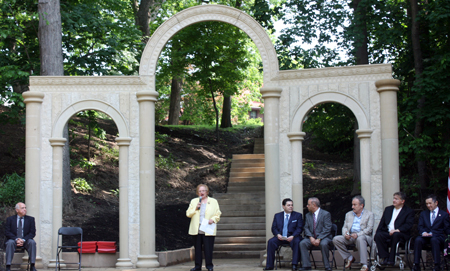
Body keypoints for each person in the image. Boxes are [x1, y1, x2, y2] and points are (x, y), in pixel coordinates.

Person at [332, 195, 374, 271]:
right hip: (351, 236)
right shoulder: (348, 214)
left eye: (355, 205)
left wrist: (358, 234)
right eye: (352, 204)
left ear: (361, 205)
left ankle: (364, 264)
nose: (352, 207)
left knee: (360, 239)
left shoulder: (369, 214)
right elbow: (344, 227)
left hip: (364, 236)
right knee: (336, 239)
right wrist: (346, 234)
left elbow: (369, 229)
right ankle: (349, 258)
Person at [186, 184, 221, 271]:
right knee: (197, 249)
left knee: (208, 249)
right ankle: (197, 266)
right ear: (197, 192)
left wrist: (213, 219)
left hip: (208, 228)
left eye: (203, 191)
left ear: (207, 192)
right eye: (200, 191)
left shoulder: (213, 201)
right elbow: (188, 214)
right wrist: (196, 208)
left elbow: (218, 214)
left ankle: (209, 266)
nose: (202, 192)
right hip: (197, 229)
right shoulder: (194, 201)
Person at [374, 191, 414, 266]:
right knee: (378, 235)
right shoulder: (388, 209)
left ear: (402, 201)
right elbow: (382, 224)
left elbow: (408, 225)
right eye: (393, 198)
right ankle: (384, 257)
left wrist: (398, 230)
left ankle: (392, 259)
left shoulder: (408, 211)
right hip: (388, 232)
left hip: (401, 233)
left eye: (396, 199)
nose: (394, 200)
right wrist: (377, 233)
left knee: (396, 235)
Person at [411, 194, 450, 271]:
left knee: (434, 240)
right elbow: (420, 226)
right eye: (427, 204)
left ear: (436, 203)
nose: (428, 205)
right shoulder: (423, 214)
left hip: (438, 237)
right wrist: (423, 232)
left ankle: (436, 265)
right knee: (418, 240)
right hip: (426, 236)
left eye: (430, 203)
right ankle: (416, 264)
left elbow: (447, 229)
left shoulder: (444, 215)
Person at [263, 198, 303, 271]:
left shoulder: (298, 215)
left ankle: (294, 265)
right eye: (288, 205)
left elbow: (299, 228)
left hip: (293, 237)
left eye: (292, 205)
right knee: (271, 242)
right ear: (283, 206)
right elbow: (274, 228)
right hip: (281, 237)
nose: (291, 207)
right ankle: (269, 265)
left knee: (297, 242)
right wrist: (278, 235)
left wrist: (292, 236)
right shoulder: (277, 216)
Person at [299, 197, 333, 271]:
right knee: (303, 243)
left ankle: (327, 266)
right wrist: (311, 237)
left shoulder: (325, 214)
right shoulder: (308, 215)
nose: (307, 206)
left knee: (323, 244)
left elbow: (327, 228)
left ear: (314, 205)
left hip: (324, 237)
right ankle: (306, 265)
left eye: (308, 204)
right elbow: (306, 228)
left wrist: (319, 238)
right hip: (311, 238)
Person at [5, 202, 37, 271]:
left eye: (25, 208)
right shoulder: (10, 219)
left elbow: (32, 233)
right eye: (22, 208)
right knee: (9, 243)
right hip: (13, 240)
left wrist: (23, 240)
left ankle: (32, 265)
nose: (25, 209)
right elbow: (7, 232)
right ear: (17, 210)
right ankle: (8, 266)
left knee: (32, 242)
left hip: (26, 240)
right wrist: (16, 239)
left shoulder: (30, 219)